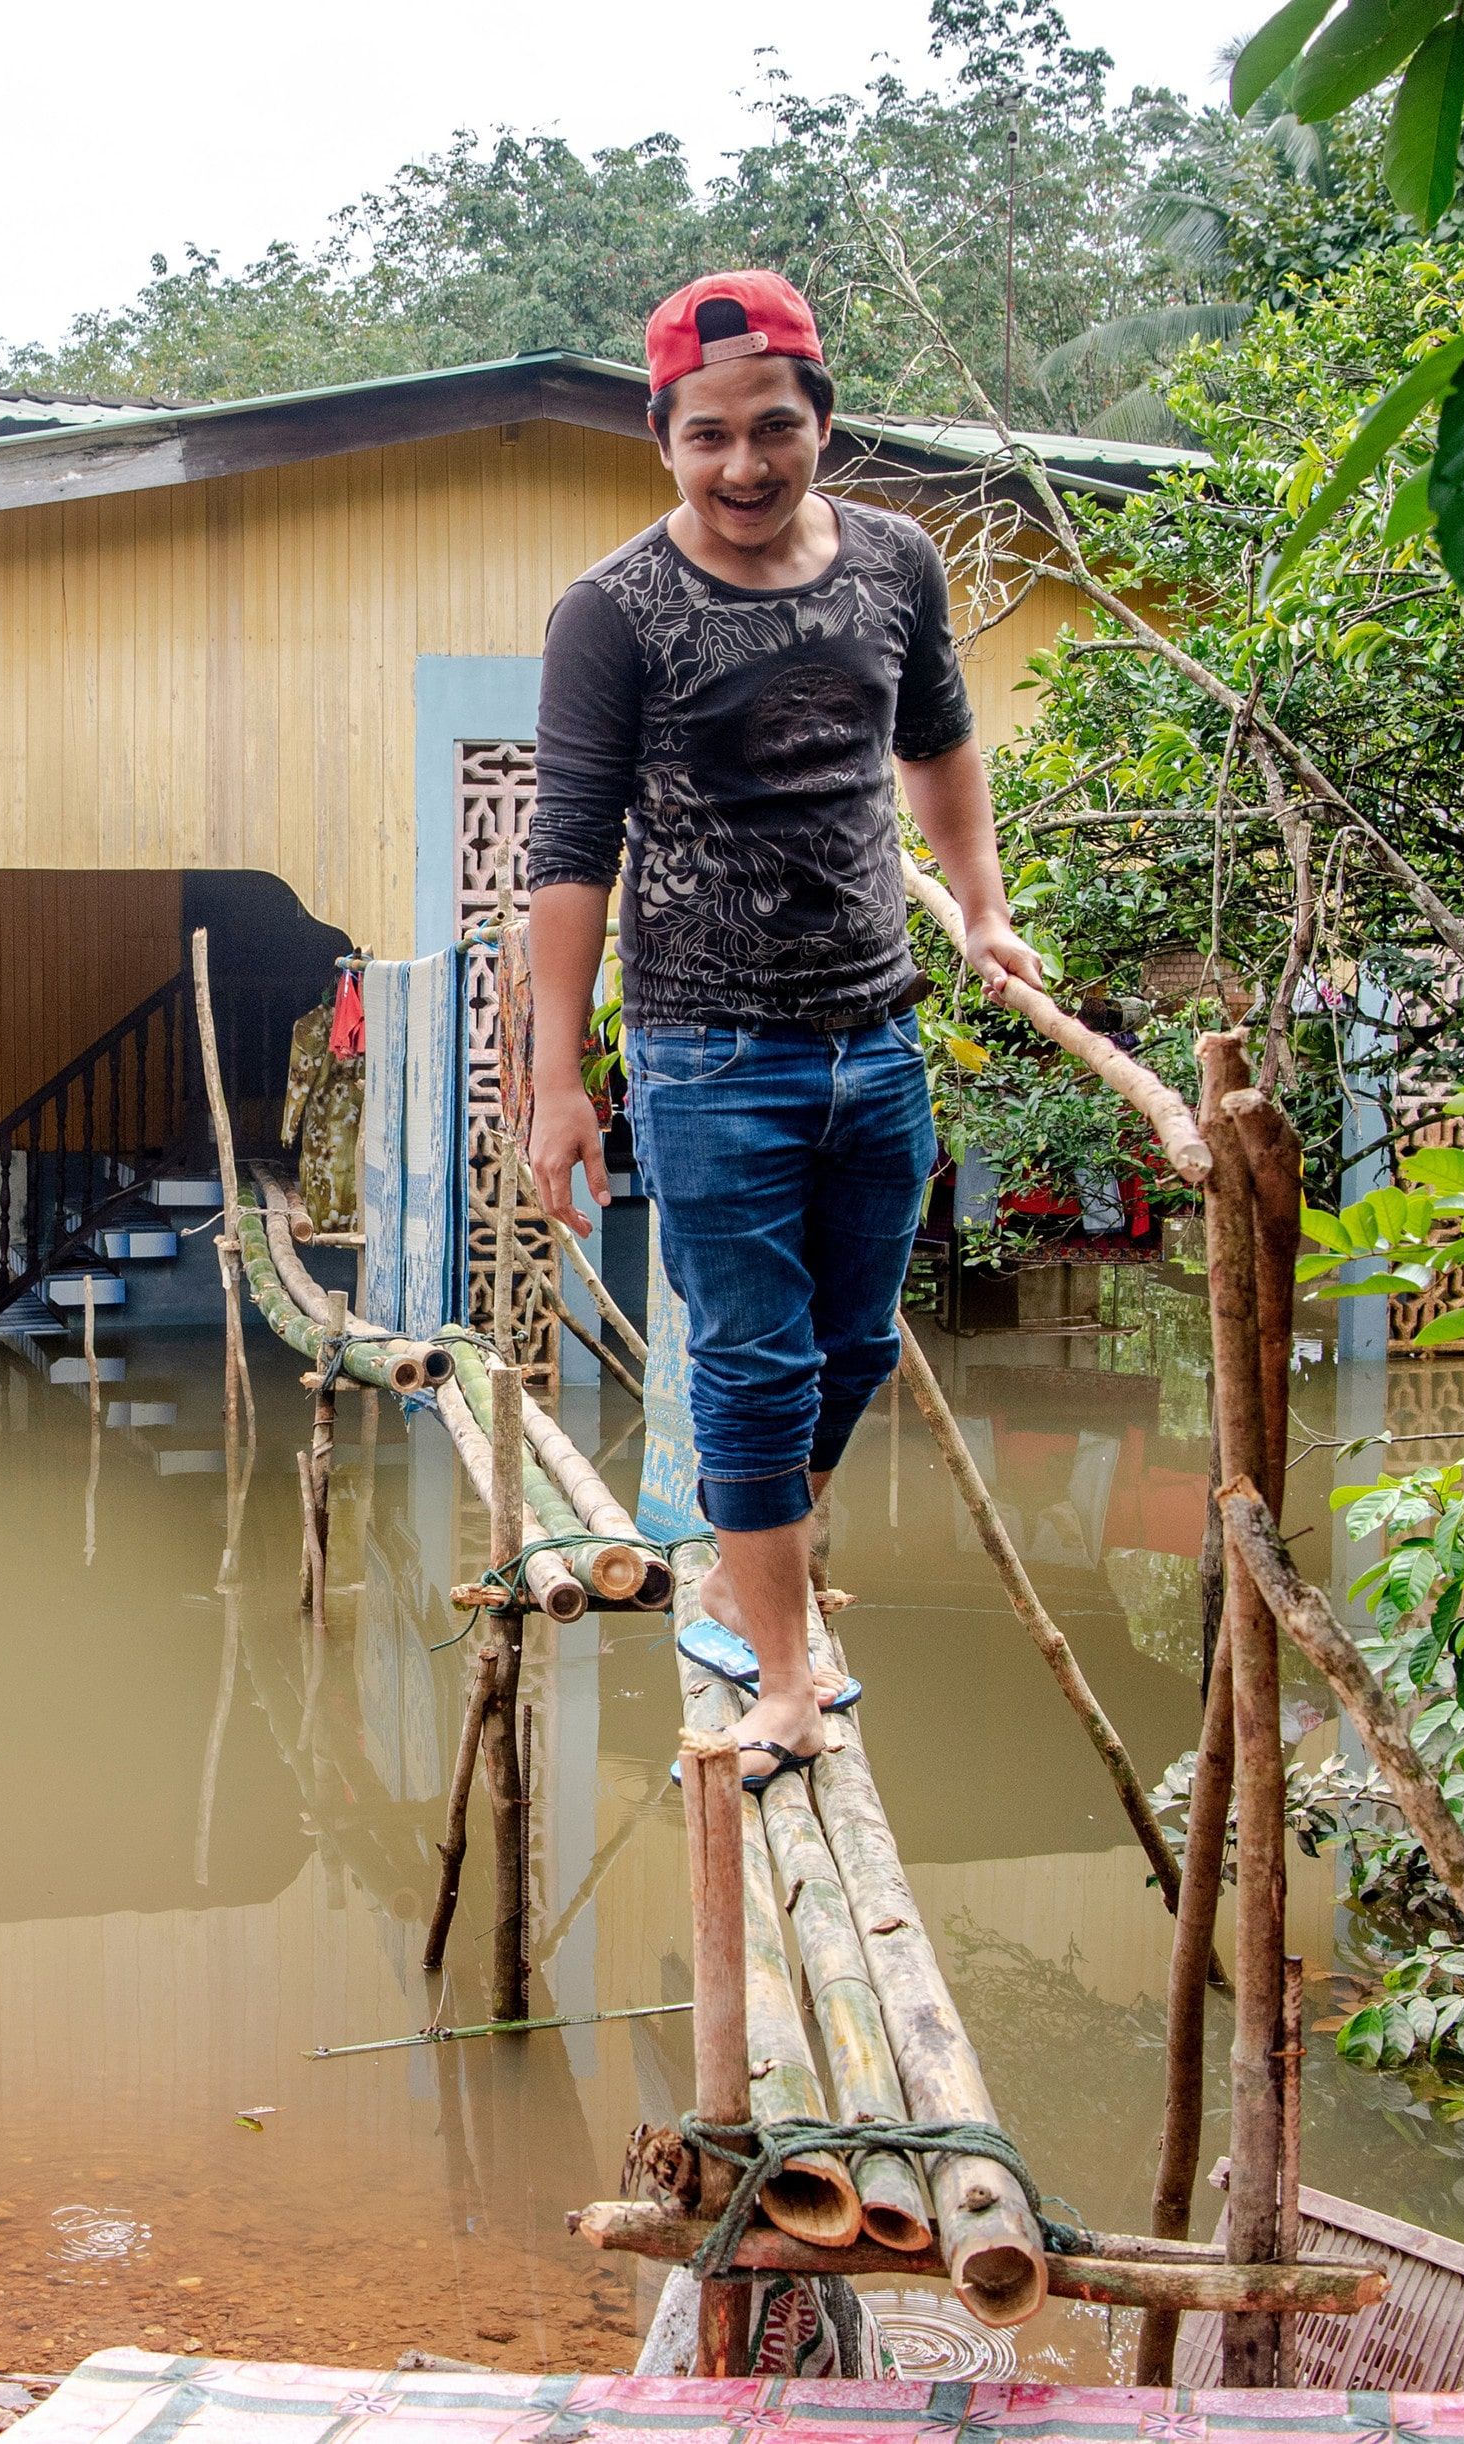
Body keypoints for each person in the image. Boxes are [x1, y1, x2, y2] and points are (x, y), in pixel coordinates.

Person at [522, 269, 1043, 1788]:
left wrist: (984, 907)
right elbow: (568, 853)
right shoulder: (612, 612)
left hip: (876, 1035)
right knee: (751, 1365)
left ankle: (773, 1576)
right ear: (662, 440)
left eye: (771, 429)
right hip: (706, 1049)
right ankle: (785, 1674)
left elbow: (939, 746)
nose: (742, 466)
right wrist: (564, 1085)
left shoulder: (894, 563)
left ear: (822, 420)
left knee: (852, 1346)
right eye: (706, 438)